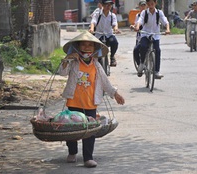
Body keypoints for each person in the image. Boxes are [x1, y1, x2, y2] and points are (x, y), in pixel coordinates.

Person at [59, 31, 125, 168]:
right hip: (74, 102)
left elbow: (105, 82)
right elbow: (62, 72)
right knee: (72, 129)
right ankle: (72, 152)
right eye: (83, 45)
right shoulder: (73, 62)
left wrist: (115, 94)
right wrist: (67, 59)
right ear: (77, 47)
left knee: (90, 132)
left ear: (95, 50)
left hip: (90, 104)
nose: (87, 48)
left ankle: (88, 157)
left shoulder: (96, 65)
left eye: (90, 45)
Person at [134, 0, 170, 79]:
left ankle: (156, 71)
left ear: (155, 3)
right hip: (145, 34)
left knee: (157, 50)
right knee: (143, 46)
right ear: (147, 4)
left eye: (152, 3)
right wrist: (137, 26)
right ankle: (142, 63)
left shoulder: (159, 13)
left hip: (155, 35)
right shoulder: (144, 13)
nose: (151, 5)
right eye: (149, 3)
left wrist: (167, 29)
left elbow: (165, 21)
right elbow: (140, 20)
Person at [89, 0, 120, 67]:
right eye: (106, 4)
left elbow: (115, 24)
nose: (108, 6)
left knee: (114, 42)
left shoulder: (112, 15)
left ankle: (112, 57)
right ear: (102, 5)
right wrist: (91, 29)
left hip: (109, 35)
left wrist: (116, 29)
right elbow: (93, 22)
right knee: (96, 47)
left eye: (110, 5)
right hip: (99, 35)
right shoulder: (97, 14)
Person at [130, 0, 147, 67]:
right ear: (139, 7)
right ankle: (139, 64)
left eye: (144, 5)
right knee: (136, 50)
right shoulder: (138, 15)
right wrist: (134, 27)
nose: (143, 7)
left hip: (149, 35)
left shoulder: (150, 13)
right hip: (140, 36)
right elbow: (136, 23)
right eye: (141, 6)